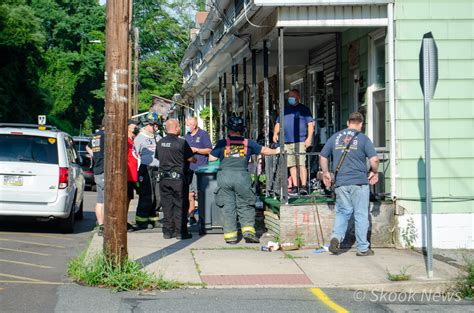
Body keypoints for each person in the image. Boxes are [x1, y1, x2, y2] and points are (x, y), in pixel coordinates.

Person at [209, 116, 280, 244]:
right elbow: (264, 150)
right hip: (242, 176)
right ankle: (248, 232)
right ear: (242, 130)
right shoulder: (249, 143)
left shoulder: (222, 143)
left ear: (229, 130)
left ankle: (230, 236)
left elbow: (212, 158)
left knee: (227, 206)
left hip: (225, 177)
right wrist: (277, 150)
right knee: (246, 205)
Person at [319, 112, 379, 256]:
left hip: (341, 182)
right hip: (359, 182)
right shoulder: (363, 138)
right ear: (361, 124)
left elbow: (323, 155)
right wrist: (374, 172)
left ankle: (335, 238)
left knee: (342, 212)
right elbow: (375, 160)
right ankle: (363, 248)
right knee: (361, 214)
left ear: (348, 122)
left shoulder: (335, 137)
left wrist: (326, 173)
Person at [156, 119, 196, 240]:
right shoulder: (181, 142)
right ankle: (180, 232)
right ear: (177, 127)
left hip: (163, 178)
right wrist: (194, 159)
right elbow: (191, 159)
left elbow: (158, 157)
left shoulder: (160, 142)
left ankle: (168, 232)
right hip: (178, 179)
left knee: (167, 206)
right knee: (180, 205)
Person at [273, 89, 314, 196]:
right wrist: (275, 134)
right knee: (291, 165)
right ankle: (295, 186)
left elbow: (310, 124)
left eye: (292, 96)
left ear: (298, 97)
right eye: (289, 96)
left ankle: (304, 186)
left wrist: (309, 138)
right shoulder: (285, 110)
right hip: (287, 141)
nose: (290, 98)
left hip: (300, 141)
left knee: (301, 163)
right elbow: (278, 123)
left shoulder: (304, 109)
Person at [134, 112, 160, 229]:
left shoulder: (158, 137)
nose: (157, 128)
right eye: (156, 125)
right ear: (150, 124)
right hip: (145, 169)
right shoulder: (139, 138)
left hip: (157, 170)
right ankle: (141, 220)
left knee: (157, 196)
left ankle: (153, 219)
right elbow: (135, 154)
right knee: (146, 195)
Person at [185, 117, 212, 224]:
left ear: (194, 125)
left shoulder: (203, 134)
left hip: (200, 168)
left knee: (199, 194)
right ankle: (191, 216)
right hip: (188, 168)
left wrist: (196, 150)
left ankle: (203, 217)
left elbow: (209, 150)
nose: (187, 127)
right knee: (189, 194)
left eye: (188, 125)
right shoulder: (187, 135)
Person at [86, 117, 105, 236]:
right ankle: (103, 225)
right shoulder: (106, 135)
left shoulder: (96, 135)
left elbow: (87, 147)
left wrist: (94, 156)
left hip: (97, 169)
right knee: (104, 200)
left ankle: (101, 224)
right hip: (104, 169)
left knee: (100, 199)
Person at [127, 119, 140, 232]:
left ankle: (124, 220)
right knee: (125, 199)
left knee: (129, 198)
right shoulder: (125, 140)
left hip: (133, 175)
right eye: (133, 126)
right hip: (127, 174)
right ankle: (122, 222)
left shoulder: (133, 140)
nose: (135, 127)